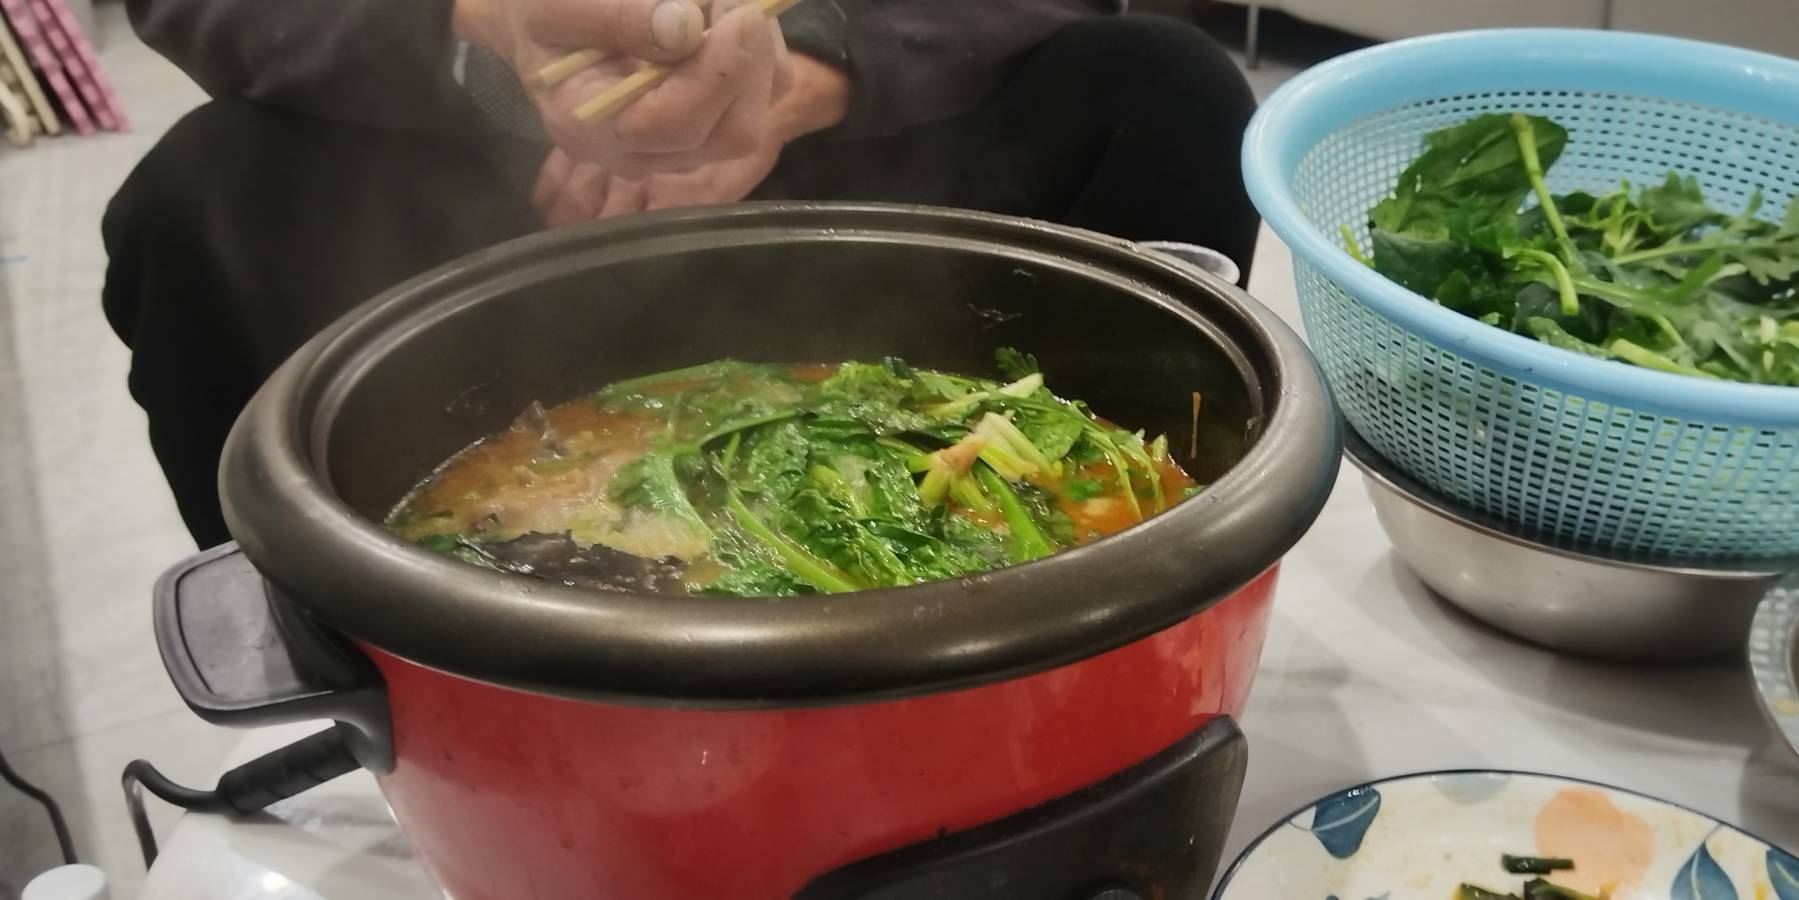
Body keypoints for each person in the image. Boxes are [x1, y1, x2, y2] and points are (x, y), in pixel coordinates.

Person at [102, 0, 1260, 548]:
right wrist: (488, 38)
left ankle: (1117, 553)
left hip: (865, 109)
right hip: (462, 137)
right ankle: (324, 676)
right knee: (197, 201)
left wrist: (815, 67)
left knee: (1167, 93)